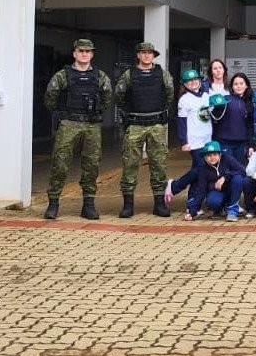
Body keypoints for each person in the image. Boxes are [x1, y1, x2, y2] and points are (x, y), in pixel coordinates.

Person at [42, 39, 112, 220]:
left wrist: (95, 113)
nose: (84, 54)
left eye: (88, 51)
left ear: (92, 54)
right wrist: (62, 114)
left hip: (91, 125)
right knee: (60, 163)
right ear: (74, 53)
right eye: (81, 51)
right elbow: (50, 97)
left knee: (91, 165)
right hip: (69, 124)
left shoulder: (100, 76)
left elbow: (107, 98)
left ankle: (88, 205)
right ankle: (53, 203)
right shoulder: (62, 75)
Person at [115, 42, 175, 218]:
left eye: (150, 53)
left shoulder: (162, 74)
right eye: (143, 53)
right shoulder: (128, 75)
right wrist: (129, 112)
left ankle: (159, 204)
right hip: (135, 124)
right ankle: (128, 205)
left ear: (153, 56)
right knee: (130, 164)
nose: (147, 56)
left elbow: (169, 95)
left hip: (156, 125)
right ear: (138, 55)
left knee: (158, 165)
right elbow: (119, 96)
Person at [165, 69, 213, 219]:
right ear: (185, 84)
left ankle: (193, 204)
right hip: (194, 142)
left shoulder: (207, 96)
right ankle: (175, 186)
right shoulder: (184, 100)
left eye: (196, 80)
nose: (193, 82)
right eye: (190, 81)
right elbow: (182, 122)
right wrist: (184, 141)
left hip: (207, 140)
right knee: (200, 170)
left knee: (198, 173)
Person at [190, 141, 246, 222]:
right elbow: (201, 190)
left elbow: (242, 171)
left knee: (238, 179)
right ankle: (219, 209)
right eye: (209, 155)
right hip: (216, 191)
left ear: (220, 155)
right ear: (204, 157)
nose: (212, 158)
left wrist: (225, 177)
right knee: (213, 202)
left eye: (215, 154)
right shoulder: (203, 169)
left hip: (230, 189)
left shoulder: (227, 158)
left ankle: (232, 210)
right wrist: (192, 212)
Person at [211, 72, 253, 166]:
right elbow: (215, 118)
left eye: (241, 83)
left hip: (241, 143)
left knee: (240, 168)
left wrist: (250, 145)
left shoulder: (249, 103)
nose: (239, 86)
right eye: (236, 84)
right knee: (226, 168)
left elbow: (250, 126)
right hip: (225, 142)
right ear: (232, 86)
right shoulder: (224, 99)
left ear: (246, 85)